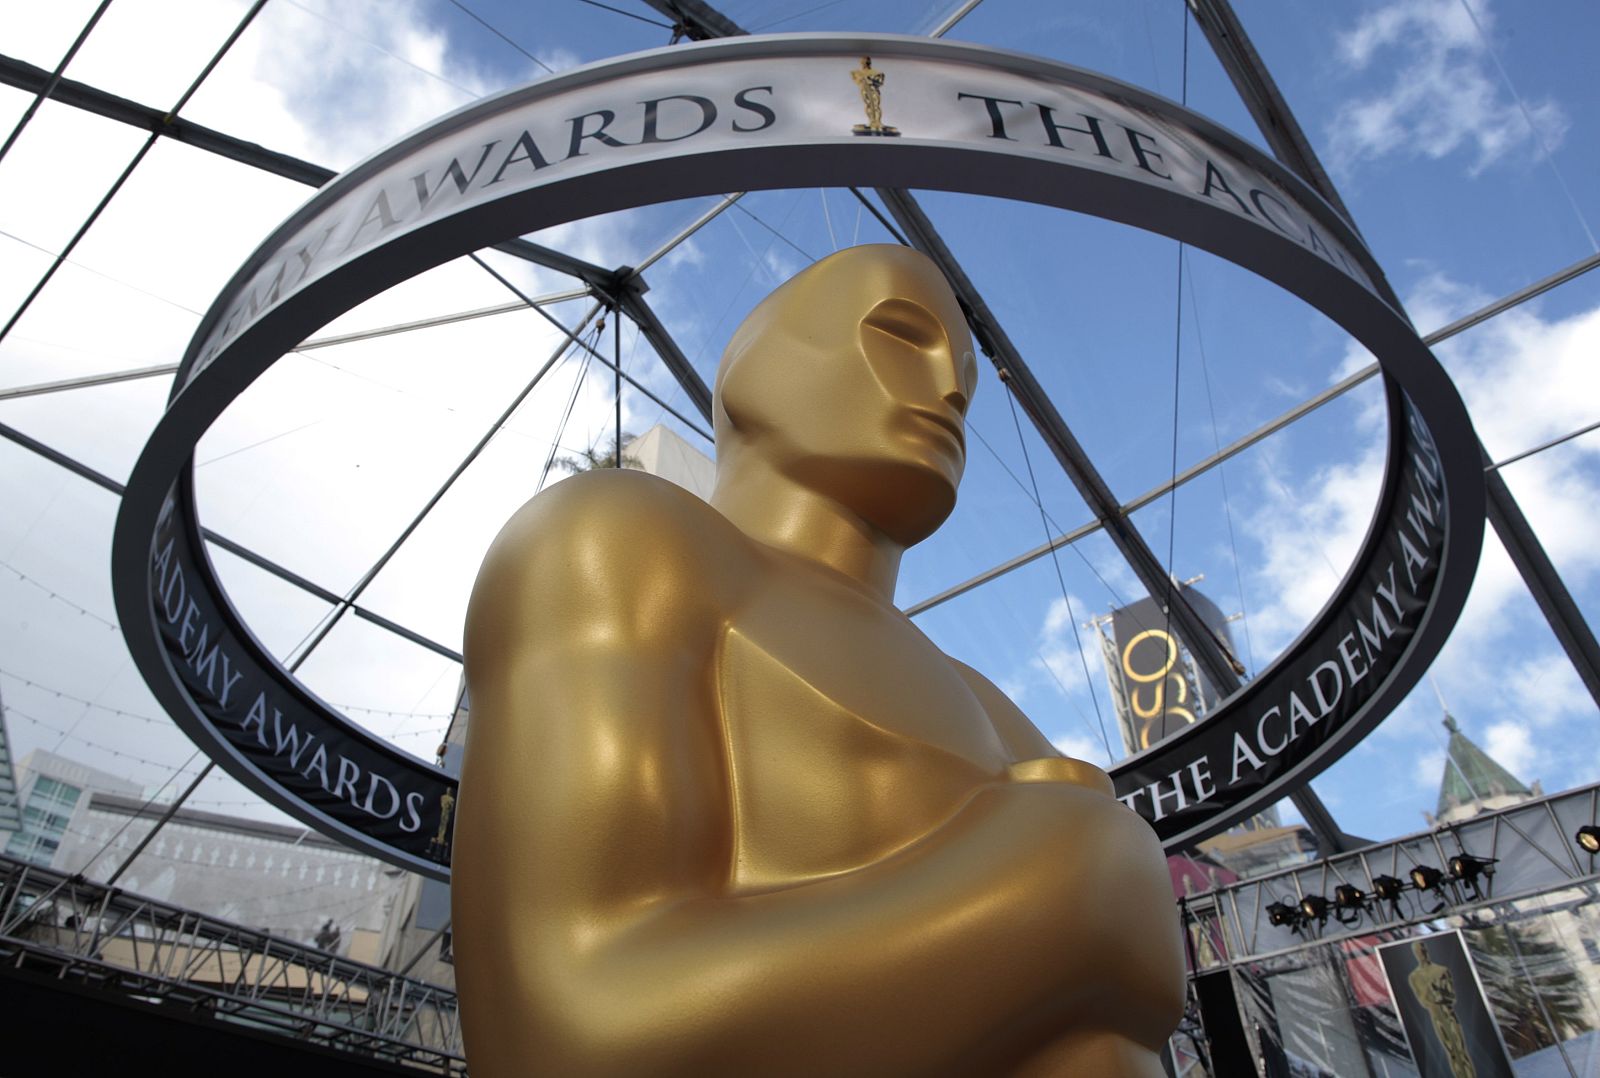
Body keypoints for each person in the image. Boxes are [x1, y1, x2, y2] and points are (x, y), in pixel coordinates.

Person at [452, 244, 1183, 1077]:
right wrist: (1058, 892)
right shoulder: (623, 547)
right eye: (903, 338)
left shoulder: (989, 706)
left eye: (965, 380)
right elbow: (564, 1028)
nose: (948, 388)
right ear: (749, 375)